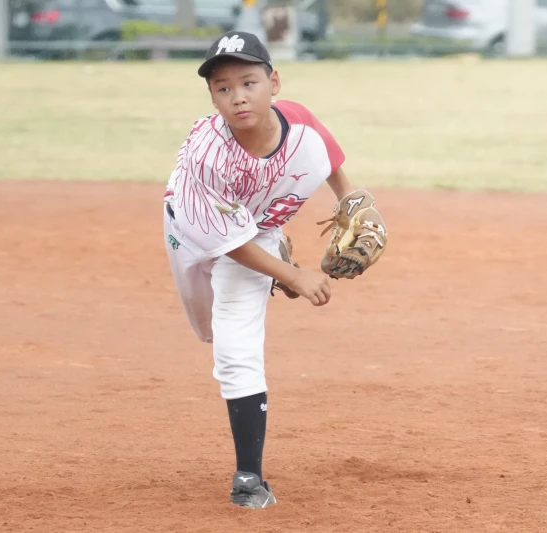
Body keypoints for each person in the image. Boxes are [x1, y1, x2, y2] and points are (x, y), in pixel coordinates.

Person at [163, 30, 387, 509]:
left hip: (257, 229)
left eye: (248, 82)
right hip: (196, 228)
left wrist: (350, 201)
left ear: (274, 82)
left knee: (232, 346)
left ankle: (249, 477)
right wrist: (294, 277)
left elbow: (329, 160)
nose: (237, 96)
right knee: (203, 324)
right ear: (211, 97)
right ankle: (276, 264)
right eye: (223, 88)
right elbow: (231, 244)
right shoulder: (206, 153)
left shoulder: (301, 124)